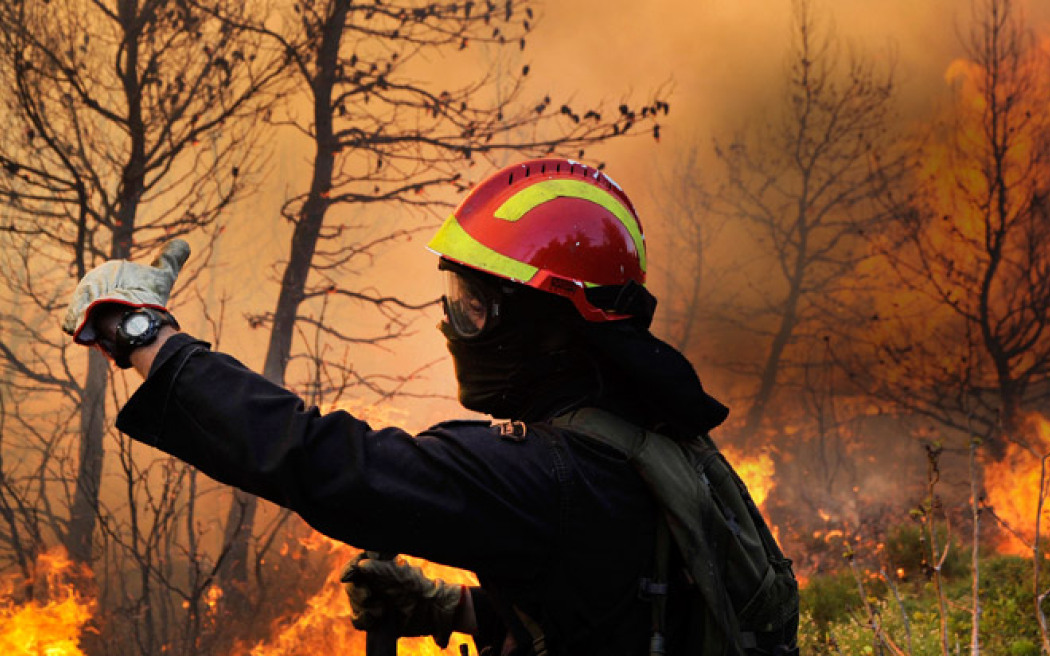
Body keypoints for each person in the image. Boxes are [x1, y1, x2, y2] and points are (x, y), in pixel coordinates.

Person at [63, 158, 794, 655]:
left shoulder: (550, 475)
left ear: (544, 323)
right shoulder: (652, 431)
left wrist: (148, 340)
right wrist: (447, 609)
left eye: (472, 307)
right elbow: (616, 612)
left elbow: (330, 465)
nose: (453, 324)